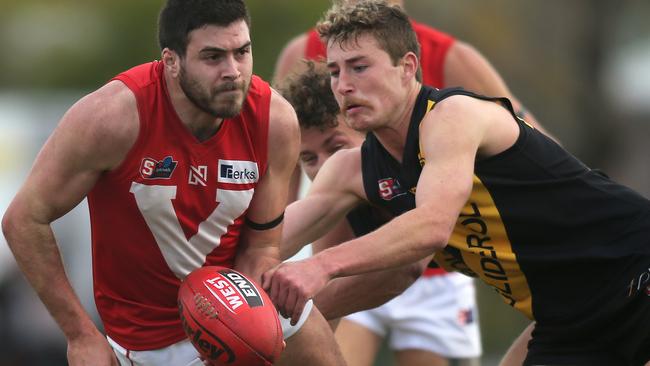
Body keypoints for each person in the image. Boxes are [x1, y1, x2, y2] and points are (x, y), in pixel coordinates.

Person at [262, 1, 650, 365]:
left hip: (634, 265)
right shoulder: (349, 171)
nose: (343, 85)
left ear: (408, 66)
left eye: (359, 67)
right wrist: (217, 288)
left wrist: (319, 268)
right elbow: (266, 239)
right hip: (567, 315)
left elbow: (432, 225)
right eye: (335, 72)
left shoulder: (452, 116)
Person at [1, 1, 346, 365]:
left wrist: (237, 324)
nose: (233, 71)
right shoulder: (112, 117)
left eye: (242, 52)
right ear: (171, 61)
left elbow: (261, 247)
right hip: (144, 341)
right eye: (213, 57)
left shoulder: (273, 119)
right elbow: (23, 220)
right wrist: (80, 334)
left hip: (234, 306)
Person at [279, 61, 481, 366]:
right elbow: (321, 307)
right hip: (367, 278)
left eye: (335, 147)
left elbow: (406, 267)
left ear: (364, 126)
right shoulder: (335, 199)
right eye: (309, 157)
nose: (323, 167)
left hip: (440, 282)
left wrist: (280, 319)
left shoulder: (416, 154)